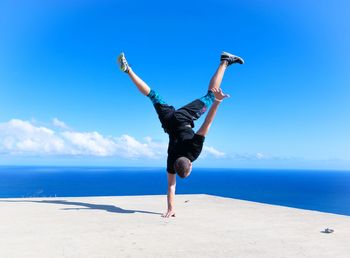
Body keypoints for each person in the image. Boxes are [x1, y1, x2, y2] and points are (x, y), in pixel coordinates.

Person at [117, 51, 244, 217]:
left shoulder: (193, 152)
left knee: (210, 95)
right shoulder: (171, 160)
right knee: (153, 96)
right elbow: (171, 186)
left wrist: (218, 101)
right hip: (168, 122)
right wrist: (170, 209)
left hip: (184, 118)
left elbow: (207, 123)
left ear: (190, 165)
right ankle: (129, 71)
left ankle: (225, 61)